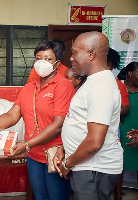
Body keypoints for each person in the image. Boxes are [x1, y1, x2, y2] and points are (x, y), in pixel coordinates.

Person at [0, 40, 75, 200]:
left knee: (57, 197)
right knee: (40, 197)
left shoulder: (63, 86)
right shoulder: (28, 88)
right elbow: (11, 116)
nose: (42, 63)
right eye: (38, 58)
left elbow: (58, 125)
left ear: (57, 63)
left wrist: (26, 145)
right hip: (33, 155)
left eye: (48, 59)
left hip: (55, 154)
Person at [54, 31, 123, 200]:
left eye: (75, 52)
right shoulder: (92, 81)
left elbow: (94, 142)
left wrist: (67, 164)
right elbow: (79, 122)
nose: (71, 58)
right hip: (88, 167)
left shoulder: (101, 87)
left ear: (91, 54)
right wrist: (64, 148)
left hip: (94, 169)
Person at [107, 47, 130, 200]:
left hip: (112, 129)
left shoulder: (118, 85)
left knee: (115, 162)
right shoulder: (86, 82)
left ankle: (117, 194)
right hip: (87, 129)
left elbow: (125, 108)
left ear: (110, 64)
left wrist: (105, 111)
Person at [117, 61, 138, 196]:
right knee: (119, 164)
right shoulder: (119, 88)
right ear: (130, 74)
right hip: (122, 130)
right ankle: (117, 195)